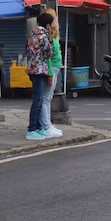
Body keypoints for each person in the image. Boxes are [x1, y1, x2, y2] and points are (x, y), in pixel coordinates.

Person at [25, 11, 55, 140]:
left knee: (38, 99)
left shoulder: (32, 35)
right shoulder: (43, 36)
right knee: (38, 100)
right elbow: (49, 53)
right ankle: (32, 129)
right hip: (40, 70)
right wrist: (50, 40)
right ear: (48, 24)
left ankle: (37, 127)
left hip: (32, 69)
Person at [41, 8, 63, 138]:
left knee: (47, 98)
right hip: (52, 69)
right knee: (46, 98)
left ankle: (48, 123)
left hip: (54, 68)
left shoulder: (52, 36)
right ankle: (46, 125)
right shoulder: (47, 37)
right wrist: (49, 73)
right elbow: (47, 57)